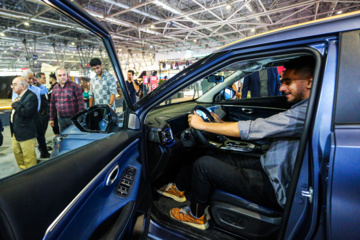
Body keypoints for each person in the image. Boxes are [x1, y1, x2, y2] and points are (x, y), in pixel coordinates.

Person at [157, 56, 315, 230]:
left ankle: (196, 216)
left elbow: (257, 128)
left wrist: (202, 125)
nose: (281, 87)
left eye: (288, 82)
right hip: (272, 165)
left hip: (277, 184)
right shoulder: (307, 107)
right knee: (210, 154)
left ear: (309, 82)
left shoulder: (305, 113)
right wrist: (221, 125)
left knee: (203, 164)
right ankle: (178, 189)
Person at [13, 70, 50, 158]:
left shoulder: (36, 89)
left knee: (40, 135)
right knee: (29, 138)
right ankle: (30, 156)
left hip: (37, 115)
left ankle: (44, 152)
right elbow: (15, 103)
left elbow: (45, 91)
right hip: (26, 116)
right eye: (29, 78)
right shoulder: (19, 90)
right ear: (23, 78)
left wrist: (39, 83)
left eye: (32, 78)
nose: (31, 80)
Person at [10, 77, 38, 169]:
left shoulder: (31, 96)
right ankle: (24, 173)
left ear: (23, 86)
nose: (12, 87)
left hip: (26, 133)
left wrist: (15, 104)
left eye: (15, 84)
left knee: (29, 158)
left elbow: (26, 112)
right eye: (12, 84)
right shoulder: (19, 97)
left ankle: (32, 178)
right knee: (18, 155)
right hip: (16, 132)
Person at [49, 68, 85, 132]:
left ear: (67, 75)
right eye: (60, 75)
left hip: (73, 118)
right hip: (61, 118)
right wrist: (51, 118)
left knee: (75, 136)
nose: (62, 77)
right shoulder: (55, 88)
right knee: (64, 136)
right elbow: (52, 104)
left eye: (64, 75)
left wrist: (80, 116)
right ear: (56, 77)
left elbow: (81, 102)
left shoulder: (75, 86)